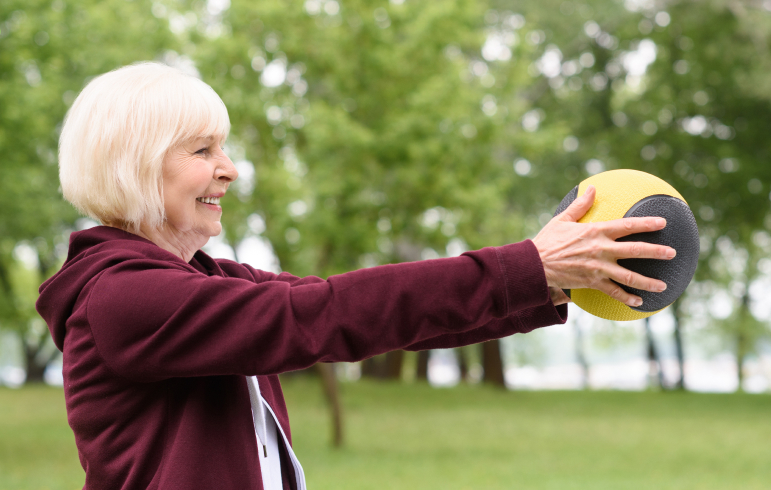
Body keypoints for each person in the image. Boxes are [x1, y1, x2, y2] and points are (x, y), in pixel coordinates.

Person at [36, 61, 675, 490]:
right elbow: (322, 318)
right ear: (136, 168)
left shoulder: (210, 281)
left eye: (223, 148)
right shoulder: (122, 297)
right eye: (203, 151)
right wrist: (526, 267)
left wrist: (545, 282)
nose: (229, 170)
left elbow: (373, 317)